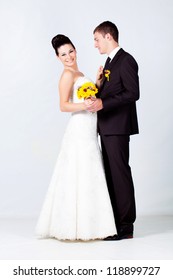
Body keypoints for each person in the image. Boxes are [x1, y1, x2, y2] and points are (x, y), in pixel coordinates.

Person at [35, 34, 116, 241]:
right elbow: (63, 105)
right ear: (58, 58)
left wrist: (97, 82)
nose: (68, 56)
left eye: (70, 51)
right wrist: (85, 106)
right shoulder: (67, 75)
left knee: (90, 170)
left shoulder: (78, 72)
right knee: (77, 170)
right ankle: (72, 226)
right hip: (79, 127)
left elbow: (89, 95)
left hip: (90, 127)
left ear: (76, 50)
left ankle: (92, 224)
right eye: (63, 54)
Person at [86, 21, 140, 240]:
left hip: (118, 127)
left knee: (120, 175)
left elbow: (132, 93)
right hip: (106, 127)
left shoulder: (126, 60)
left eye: (97, 39)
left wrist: (103, 104)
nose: (95, 44)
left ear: (109, 37)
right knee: (110, 175)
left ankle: (126, 226)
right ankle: (115, 223)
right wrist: (98, 88)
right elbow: (111, 92)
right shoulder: (109, 63)